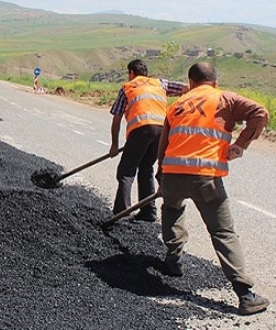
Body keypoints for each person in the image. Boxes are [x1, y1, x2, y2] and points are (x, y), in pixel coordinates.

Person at [157, 62, 270, 315]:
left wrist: (160, 176)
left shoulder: (176, 105)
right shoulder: (224, 98)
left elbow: (163, 146)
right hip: (204, 178)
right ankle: (245, 294)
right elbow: (260, 113)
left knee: (172, 211)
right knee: (223, 233)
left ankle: (173, 261)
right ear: (215, 82)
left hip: (173, 175)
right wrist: (241, 144)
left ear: (191, 83)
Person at [109, 59, 188, 221]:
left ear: (131, 73)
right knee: (146, 168)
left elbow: (116, 118)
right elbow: (186, 88)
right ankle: (148, 212)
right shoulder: (160, 83)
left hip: (142, 129)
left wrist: (115, 145)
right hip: (162, 131)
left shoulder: (128, 87)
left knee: (126, 171)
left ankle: (121, 213)